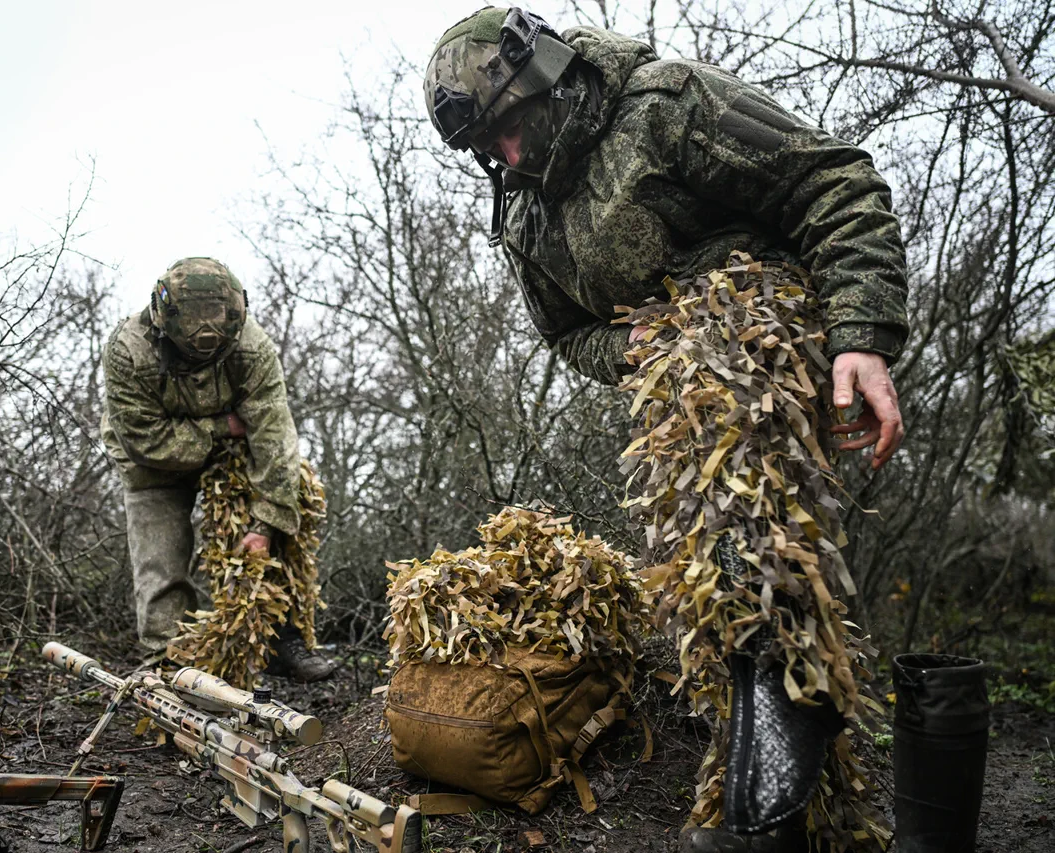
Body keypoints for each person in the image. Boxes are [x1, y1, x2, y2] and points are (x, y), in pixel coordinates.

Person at [423, 7, 907, 850]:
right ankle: (795, 814)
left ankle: (763, 808)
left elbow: (835, 181)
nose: (508, 155)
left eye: (510, 127)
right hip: (674, 393)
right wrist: (634, 346)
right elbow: (568, 334)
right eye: (487, 147)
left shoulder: (666, 106)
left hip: (760, 335)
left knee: (751, 547)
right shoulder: (527, 216)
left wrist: (861, 338)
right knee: (708, 589)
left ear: (545, 80)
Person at [100, 257, 334, 683]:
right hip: (152, 462)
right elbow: (142, 439)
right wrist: (219, 427)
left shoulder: (251, 346)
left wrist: (264, 525)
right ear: (165, 320)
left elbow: (274, 436)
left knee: (276, 518)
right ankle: (169, 663)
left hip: (228, 451)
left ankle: (279, 639)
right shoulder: (128, 350)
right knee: (160, 561)